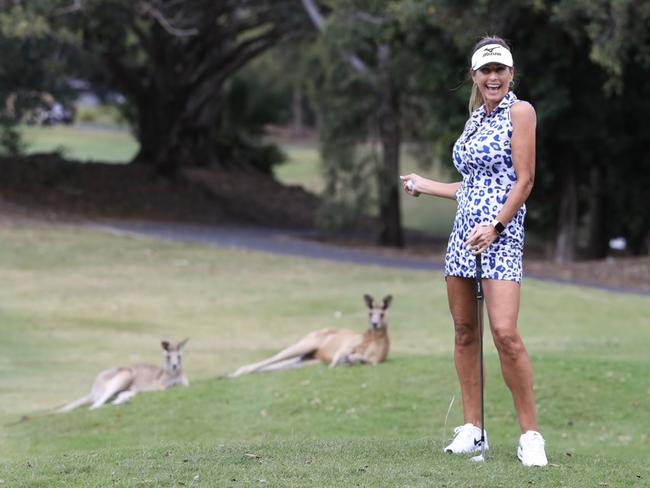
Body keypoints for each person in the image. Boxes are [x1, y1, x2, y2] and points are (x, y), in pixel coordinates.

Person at [401, 36, 548, 467]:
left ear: (511, 73)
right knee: (465, 332)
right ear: (474, 76)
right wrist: (426, 185)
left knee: (505, 334)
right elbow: (471, 186)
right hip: (463, 236)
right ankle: (474, 430)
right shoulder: (474, 121)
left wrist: (497, 225)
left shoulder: (520, 112)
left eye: (500, 68)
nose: (493, 77)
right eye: (485, 70)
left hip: (500, 237)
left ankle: (531, 436)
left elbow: (525, 180)